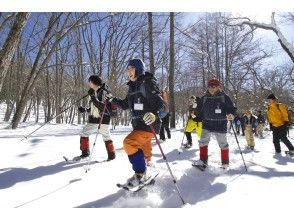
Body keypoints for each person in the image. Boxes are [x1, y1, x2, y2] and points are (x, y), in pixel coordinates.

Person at [107, 58, 164, 186]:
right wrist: (112, 99)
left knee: (129, 143)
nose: (128, 72)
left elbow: (160, 103)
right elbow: (125, 105)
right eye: (127, 69)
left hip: (149, 123)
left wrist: (153, 115)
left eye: (131, 68)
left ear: (138, 69)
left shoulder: (147, 83)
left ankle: (141, 173)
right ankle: (148, 165)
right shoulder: (132, 87)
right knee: (143, 148)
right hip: (138, 125)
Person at [193, 78, 236, 169]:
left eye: (214, 86)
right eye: (210, 86)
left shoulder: (224, 97)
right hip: (207, 123)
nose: (212, 88)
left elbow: (231, 108)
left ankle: (225, 163)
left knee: (223, 144)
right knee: (203, 142)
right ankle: (203, 161)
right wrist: (196, 116)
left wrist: (231, 114)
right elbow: (199, 111)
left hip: (220, 123)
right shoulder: (204, 98)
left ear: (218, 87)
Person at [78, 75, 116, 161]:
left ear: (94, 82)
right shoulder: (100, 91)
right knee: (106, 137)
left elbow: (102, 106)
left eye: (90, 82)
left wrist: (92, 97)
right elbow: (95, 108)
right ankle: (112, 155)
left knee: (84, 133)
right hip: (105, 120)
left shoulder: (102, 92)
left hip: (97, 120)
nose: (89, 84)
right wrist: (85, 110)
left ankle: (85, 153)